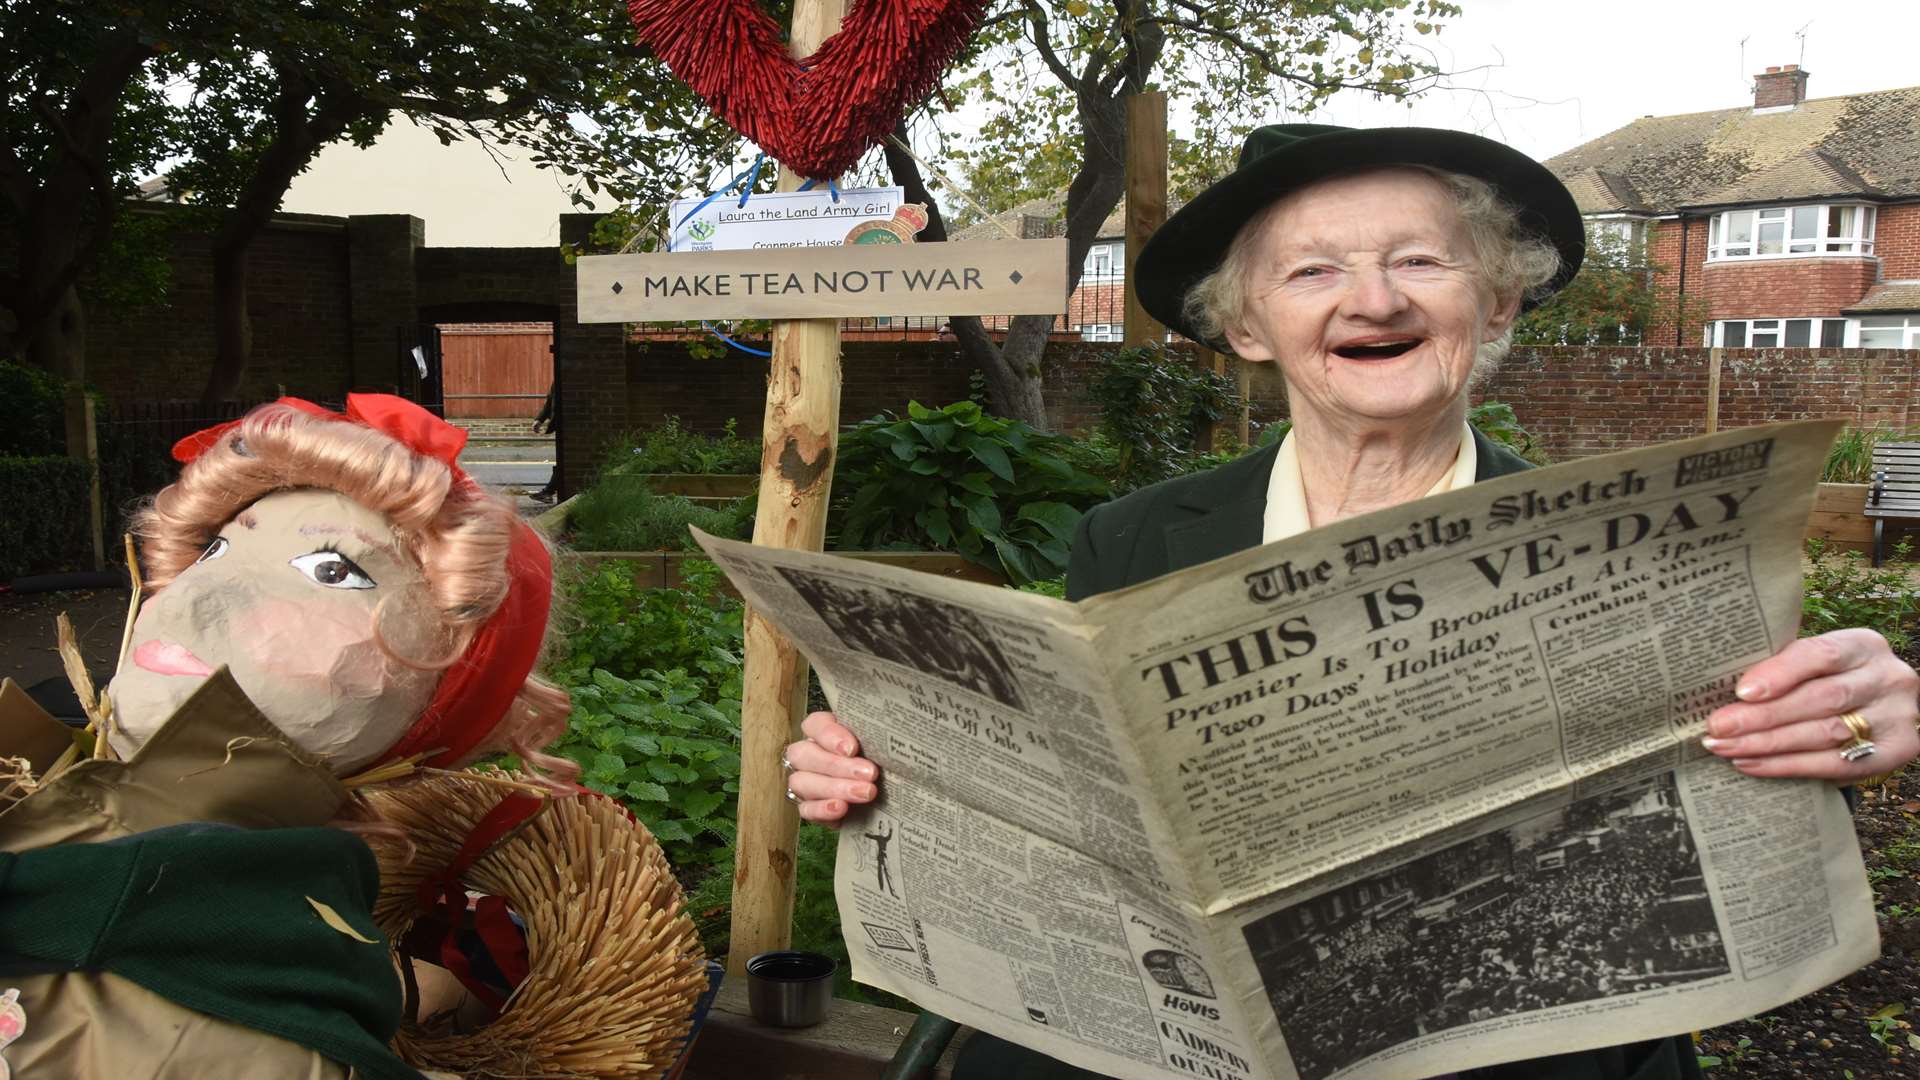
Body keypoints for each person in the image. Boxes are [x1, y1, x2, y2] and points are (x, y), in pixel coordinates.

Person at [781, 124, 1920, 1080]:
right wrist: (884, 774)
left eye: (1422, 261)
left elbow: (1748, 765)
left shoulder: (1648, 547)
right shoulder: (1125, 538)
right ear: (1246, 327)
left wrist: (1848, 712)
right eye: (1313, 270)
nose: (1372, 299)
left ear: (1502, 298)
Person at [0, 395, 575, 1077]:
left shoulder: (280, 1041)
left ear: (436, 704)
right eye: (214, 548)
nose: (193, 595)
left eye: (332, 571)